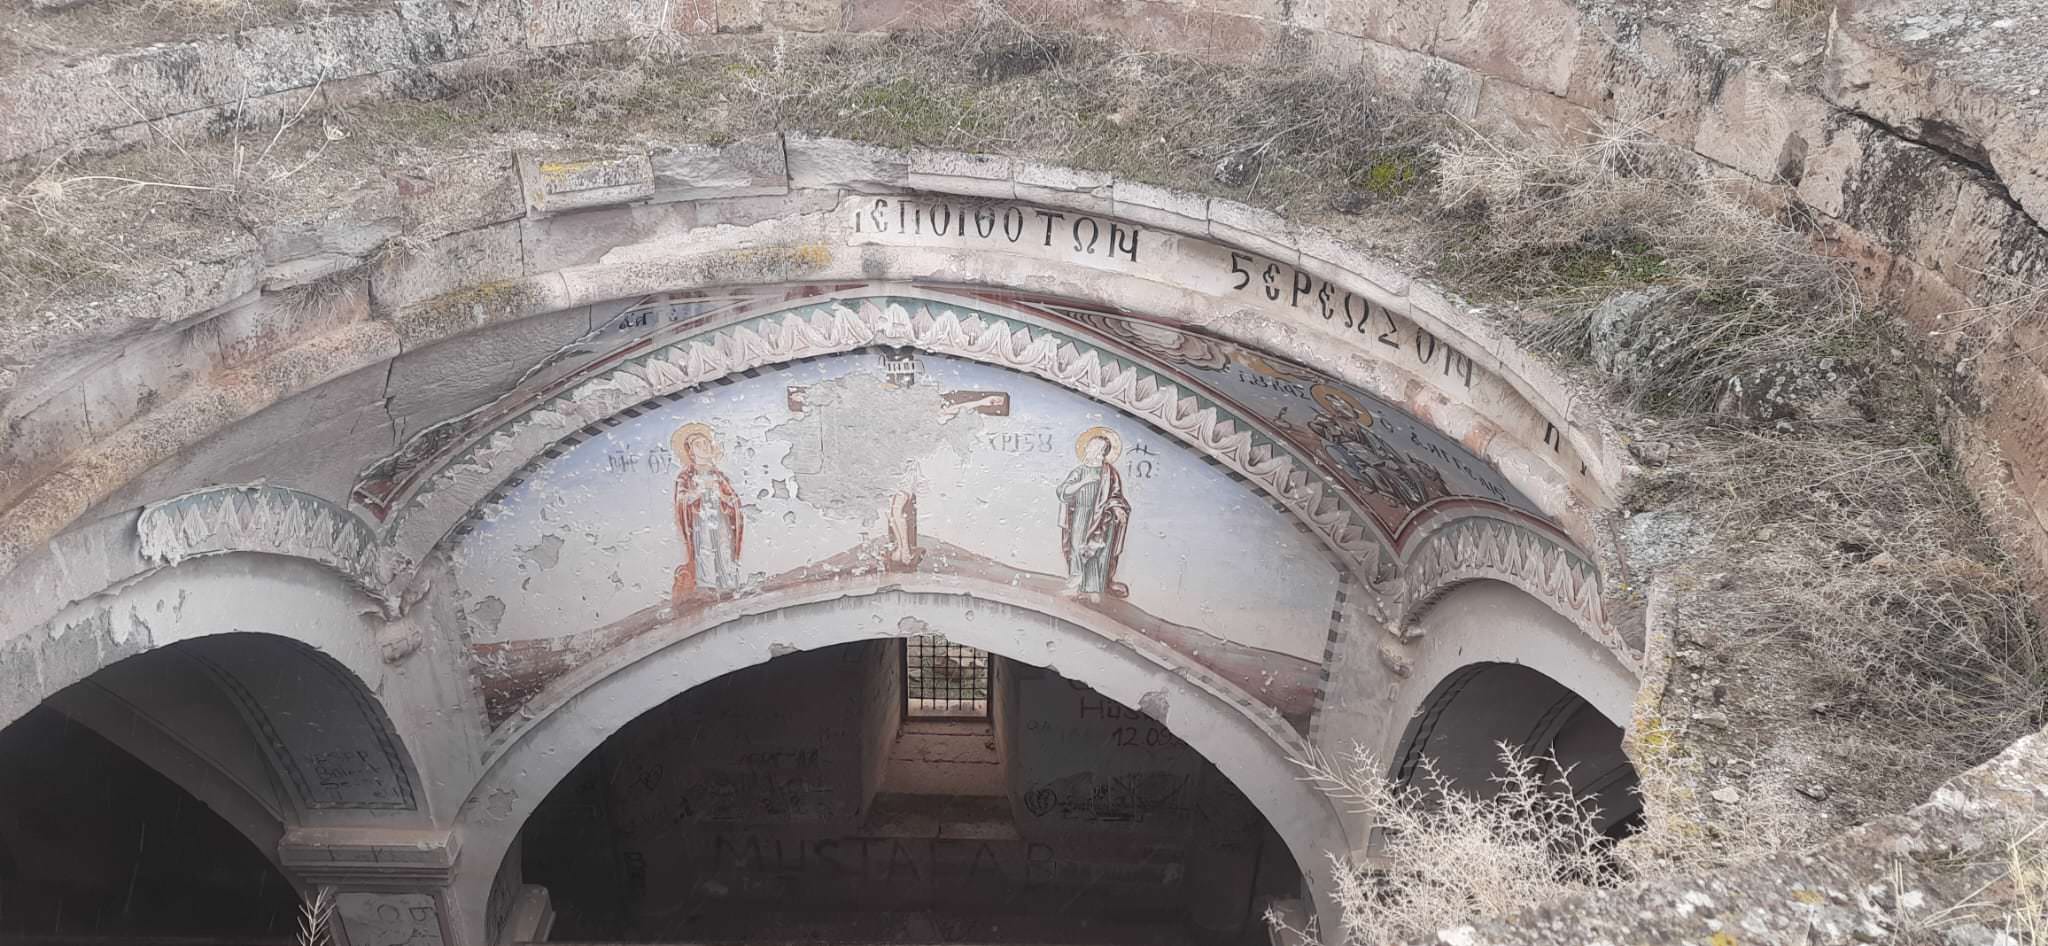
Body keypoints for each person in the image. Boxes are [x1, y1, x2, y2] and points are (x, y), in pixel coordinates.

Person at [1057, 427, 1133, 602]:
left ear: (1100, 451)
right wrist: (1083, 482)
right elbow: (1063, 491)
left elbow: (1116, 496)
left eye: (1091, 446)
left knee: (1096, 551)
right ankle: (1076, 584)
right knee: (1077, 548)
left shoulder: (1110, 474)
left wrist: (1117, 508)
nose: (1087, 449)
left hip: (1102, 519)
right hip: (1080, 515)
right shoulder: (1080, 471)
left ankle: (1093, 588)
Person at [670, 423, 743, 603]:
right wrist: (699, 491)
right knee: (705, 550)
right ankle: (708, 586)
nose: (704, 447)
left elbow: (733, 500)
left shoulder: (718, 475)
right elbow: (681, 500)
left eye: (706, 443)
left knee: (723, 548)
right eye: (698, 444)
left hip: (720, 519)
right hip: (700, 522)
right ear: (690, 451)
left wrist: (722, 496)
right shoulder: (686, 476)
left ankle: (728, 584)